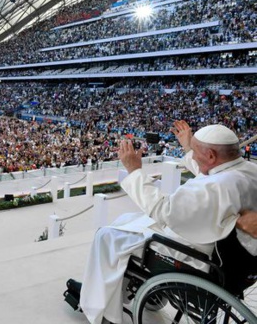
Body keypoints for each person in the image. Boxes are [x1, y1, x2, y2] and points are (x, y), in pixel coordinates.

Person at [69, 120, 257, 324]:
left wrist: (134, 171)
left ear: (211, 155)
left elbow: (162, 209)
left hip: (197, 254)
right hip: (233, 260)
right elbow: (210, 172)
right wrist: (188, 146)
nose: (192, 156)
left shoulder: (217, 186)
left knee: (107, 235)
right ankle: (106, 292)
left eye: (195, 151)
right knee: (126, 221)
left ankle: (101, 308)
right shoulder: (246, 170)